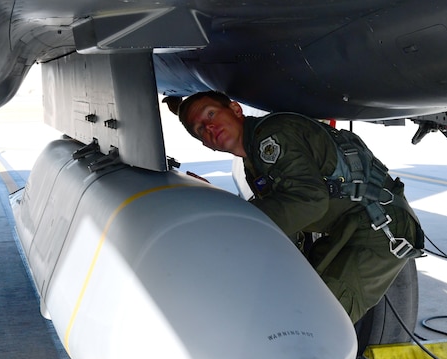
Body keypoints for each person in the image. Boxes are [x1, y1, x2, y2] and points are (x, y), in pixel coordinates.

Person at [174, 91, 423, 325]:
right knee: (295, 300)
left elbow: (308, 202)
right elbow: (285, 213)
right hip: (351, 226)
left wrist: (230, 214)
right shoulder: (254, 156)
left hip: (380, 229)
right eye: (200, 129)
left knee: (320, 320)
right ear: (206, 145)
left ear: (235, 109)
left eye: (210, 114)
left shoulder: (272, 137)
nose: (209, 127)